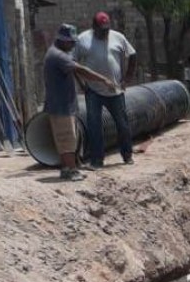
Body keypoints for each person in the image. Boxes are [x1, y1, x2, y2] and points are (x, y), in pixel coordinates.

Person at [43, 24, 116, 181]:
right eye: (71, 42)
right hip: (61, 106)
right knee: (67, 139)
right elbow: (80, 70)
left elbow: (74, 71)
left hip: (62, 104)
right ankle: (71, 170)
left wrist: (83, 86)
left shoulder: (58, 53)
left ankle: (67, 168)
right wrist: (103, 79)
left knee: (69, 138)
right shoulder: (58, 56)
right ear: (62, 40)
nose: (74, 45)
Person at [74, 11, 137, 168]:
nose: (105, 32)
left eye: (107, 29)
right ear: (94, 26)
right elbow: (72, 62)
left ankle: (127, 155)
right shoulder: (83, 39)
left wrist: (127, 78)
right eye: (102, 29)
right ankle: (97, 160)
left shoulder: (118, 37)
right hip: (93, 91)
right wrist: (81, 83)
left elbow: (133, 54)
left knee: (122, 124)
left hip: (115, 91)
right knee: (94, 126)